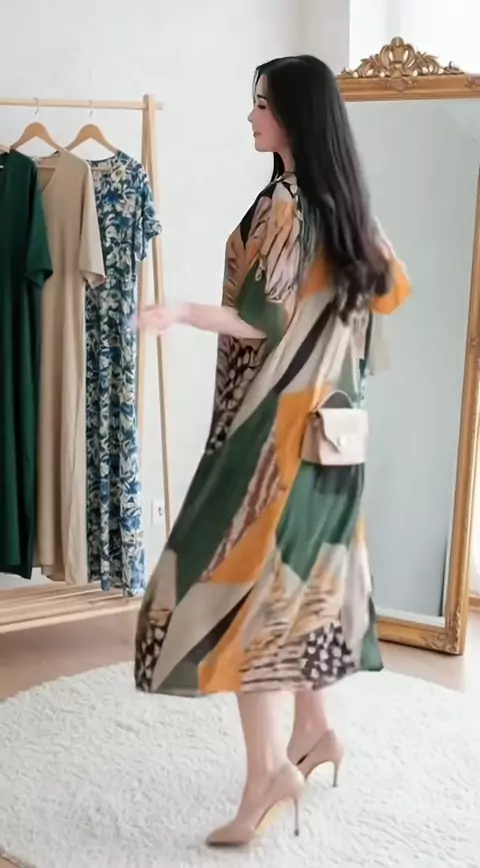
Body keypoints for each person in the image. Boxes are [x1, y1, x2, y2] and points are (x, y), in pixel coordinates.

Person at [134, 54, 411, 847]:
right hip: (336, 436)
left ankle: (266, 776)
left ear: (293, 114)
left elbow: (261, 319)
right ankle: (313, 731)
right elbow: (390, 292)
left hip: (277, 436)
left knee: (241, 596)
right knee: (291, 592)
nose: (251, 117)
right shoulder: (343, 204)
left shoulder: (287, 204)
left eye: (261, 104)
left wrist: (181, 312)